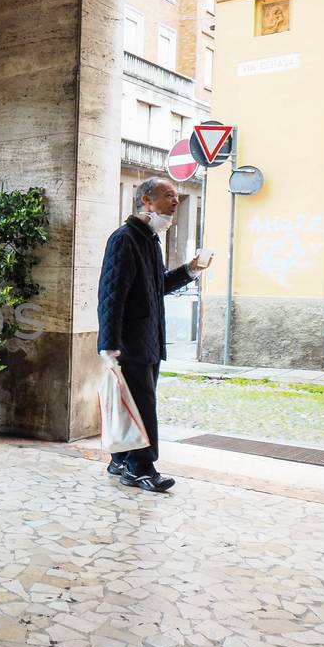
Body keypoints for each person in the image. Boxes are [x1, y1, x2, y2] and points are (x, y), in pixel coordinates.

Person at [96, 178, 211, 493]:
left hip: (148, 338)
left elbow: (156, 286)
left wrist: (189, 270)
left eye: (176, 196)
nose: (176, 201)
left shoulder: (149, 240)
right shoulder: (124, 239)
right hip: (130, 341)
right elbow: (111, 292)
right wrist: (108, 343)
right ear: (147, 200)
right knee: (142, 404)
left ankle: (120, 460)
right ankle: (141, 467)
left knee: (133, 403)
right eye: (169, 195)